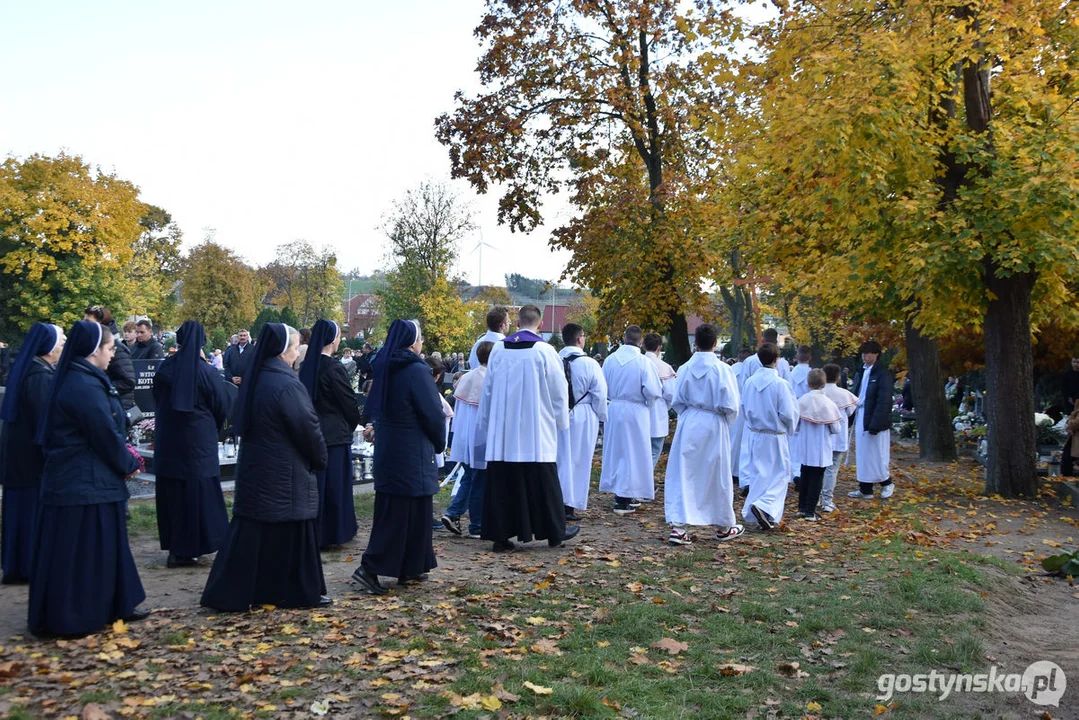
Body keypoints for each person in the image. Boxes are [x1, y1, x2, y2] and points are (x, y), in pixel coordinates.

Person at [29, 321, 148, 636]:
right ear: (94, 350)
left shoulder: (85, 378)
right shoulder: (82, 385)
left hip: (88, 480)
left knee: (105, 548)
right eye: (110, 349)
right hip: (83, 482)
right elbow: (102, 433)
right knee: (82, 554)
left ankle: (113, 604)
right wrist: (126, 462)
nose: (112, 355)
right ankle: (75, 615)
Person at [201, 323, 330, 611]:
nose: (297, 353)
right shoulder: (286, 384)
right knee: (291, 535)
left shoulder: (258, 377)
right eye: (296, 348)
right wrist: (320, 458)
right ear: (284, 351)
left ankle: (246, 591)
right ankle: (298, 591)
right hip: (286, 470)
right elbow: (307, 428)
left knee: (254, 535)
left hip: (259, 468)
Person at [352, 320, 446, 594]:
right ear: (412, 341)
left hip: (390, 448)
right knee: (400, 515)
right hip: (411, 450)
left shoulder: (385, 365)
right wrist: (439, 442)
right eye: (420, 338)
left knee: (408, 511)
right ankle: (370, 567)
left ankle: (411, 566)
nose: (422, 343)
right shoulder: (416, 370)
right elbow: (431, 412)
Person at [475, 305, 579, 552]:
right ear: (540, 324)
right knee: (543, 478)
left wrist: (486, 422)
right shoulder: (545, 351)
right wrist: (561, 421)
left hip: (504, 429)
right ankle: (554, 531)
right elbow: (558, 390)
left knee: (503, 481)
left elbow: (487, 388)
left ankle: (500, 535)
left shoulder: (499, 349)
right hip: (536, 426)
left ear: (519, 323)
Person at [152, 321, 232, 568]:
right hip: (198, 442)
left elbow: (157, 399)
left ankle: (178, 549)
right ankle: (199, 544)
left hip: (170, 442)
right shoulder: (206, 371)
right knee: (198, 496)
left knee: (174, 497)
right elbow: (221, 404)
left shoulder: (165, 369)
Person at [663, 324, 743, 546]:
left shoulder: (686, 368)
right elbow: (732, 405)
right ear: (715, 343)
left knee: (684, 473)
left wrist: (689, 416)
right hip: (714, 422)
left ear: (695, 343)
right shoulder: (723, 369)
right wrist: (722, 422)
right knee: (716, 474)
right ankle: (723, 526)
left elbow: (677, 400)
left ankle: (679, 527)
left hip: (690, 421)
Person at [0, 323, 65, 584]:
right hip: (30, 457)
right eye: (60, 342)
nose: (63, 346)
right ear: (48, 349)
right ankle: (27, 565)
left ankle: (16, 564)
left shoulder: (29, 368)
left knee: (18, 510)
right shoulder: (39, 376)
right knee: (28, 511)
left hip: (18, 454)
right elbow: (45, 421)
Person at [299, 320, 361, 549]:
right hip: (334, 435)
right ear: (333, 340)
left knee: (316, 486)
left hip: (312, 431)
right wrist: (353, 424)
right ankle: (333, 532)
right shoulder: (334, 368)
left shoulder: (307, 365)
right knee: (335, 487)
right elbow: (348, 402)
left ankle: (314, 530)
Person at [599, 325, 663, 515]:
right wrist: (648, 404)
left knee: (618, 451)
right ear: (641, 341)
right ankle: (623, 497)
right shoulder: (644, 362)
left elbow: (603, 387)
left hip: (615, 408)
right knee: (634, 453)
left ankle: (624, 493)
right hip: (636, 410)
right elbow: (652, 391)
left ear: (624, 338)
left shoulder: (610, 360)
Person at [740, 343, 799, 531]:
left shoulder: (749, 382)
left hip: (756, 434)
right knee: (780, 474)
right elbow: (788, 413)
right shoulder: (780, 384)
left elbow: (744, 407)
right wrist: (790, 428)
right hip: (774, 435)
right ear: (777, 360)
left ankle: (760, 510)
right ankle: (764, 506)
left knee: (759, 474)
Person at [441, 341, 495, 538]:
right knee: (478, 479)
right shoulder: (490, 379)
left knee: (469, 476)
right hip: (481, 437)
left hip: (464, 436)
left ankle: (454, 513)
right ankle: (475, 524)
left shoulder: (466, 377)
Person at [556, 323, 607, 521]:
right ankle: (570, 504)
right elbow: (600, 394)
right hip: (583, 414)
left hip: (558, 413)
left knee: (559, 458)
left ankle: (557, 500)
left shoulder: (554, 359)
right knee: (579, 460)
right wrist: (602, 416)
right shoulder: (590, 364)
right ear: (579, 339)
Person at [849, 340, 895, 499]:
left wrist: (876, 423)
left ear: (876, 354)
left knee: (877, 453)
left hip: (874, 417)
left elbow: (884, 400)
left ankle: (886, 482)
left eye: (868, 353)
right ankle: (865, 487)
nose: (864, 356)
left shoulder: (882, 374)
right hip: (862, 414)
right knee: (862, 453)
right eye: (863, 353)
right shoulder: (861, 372)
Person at [794, 370, 842, 521]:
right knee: (816, 479)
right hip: (821, 447)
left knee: (805, 476)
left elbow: (795, 425)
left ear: (808, 384)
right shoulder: (828, 403)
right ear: (823, 384)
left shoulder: (801, 400)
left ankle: (802, 507)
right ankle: (810, 511)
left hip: (806, 445)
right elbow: (836, 428)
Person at [820, 364, 859, 512]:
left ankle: (816, 497)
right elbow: (850, 412)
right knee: (832, 469)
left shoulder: (819, 393)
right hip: (838, 436)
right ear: (838, 377)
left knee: (819, 469)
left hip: (822, 437)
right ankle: (827, 500)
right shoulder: (844, 394)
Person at [83, 306, 136, 412]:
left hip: (116, 408)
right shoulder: (92, 346)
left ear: (101, 324)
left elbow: (128, 382)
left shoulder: (117, 349)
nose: (83, 325)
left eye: (88, 322)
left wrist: (98, 387)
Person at [644, 333, 676, 470]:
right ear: (659, 348)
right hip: (657, 412)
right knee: (654, 449)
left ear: (643, 345)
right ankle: (643, 480)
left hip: (637, 411)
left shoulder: (638, 362)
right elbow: (671, 393)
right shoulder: (664, 367)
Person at [469, 306, 509, 370]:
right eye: (508, 321)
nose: (509, 323)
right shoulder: (507, 346)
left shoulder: (478, 343)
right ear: (502, 326)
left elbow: (472, 364)